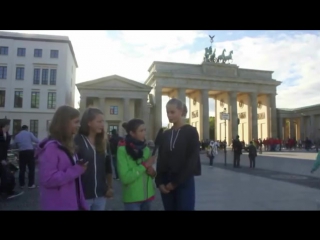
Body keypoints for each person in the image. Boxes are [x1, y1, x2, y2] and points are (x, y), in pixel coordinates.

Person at [36, 105, 88, 210]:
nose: (79, 125)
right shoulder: (51, 148)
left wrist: (82, 203)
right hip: (58, 205)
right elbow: (48, 179)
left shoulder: (68, 145)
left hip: (72, 204)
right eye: (76, 122)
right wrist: (77, 169)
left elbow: (75, 181)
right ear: (65, 123)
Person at [155, 98, 201, 211]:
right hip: (166, 182)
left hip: (183, 181)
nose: (169, 115)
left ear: (181, 112)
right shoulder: (165, 134)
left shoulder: (191, 132)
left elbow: (192, 159)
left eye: (172, 112)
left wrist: (175, 183)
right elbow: (160, 159)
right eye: (167, 112)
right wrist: (159, 181)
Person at [74, 108, 113, 211]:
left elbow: (108, 167)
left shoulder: (104, 142)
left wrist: (109, 187)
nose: (102, 125)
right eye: (99, 121)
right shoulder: (76, 141)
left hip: (101, 195)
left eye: (103, 121)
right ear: (89, 122)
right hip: (82, 196)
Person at [117, 119, 156, 211]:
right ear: (132, 133)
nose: (144, 133)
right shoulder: (122, 150)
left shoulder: (146, 149)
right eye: (141, 131)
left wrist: (152, 172)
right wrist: (144, 165)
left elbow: (152, 175)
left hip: (148, 197)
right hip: (132, 199)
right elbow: (125, 178)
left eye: (145, 130)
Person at [0, 118, 23, 199]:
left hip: (4, 158)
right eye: (9, 125)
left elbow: (5, 148)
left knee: (6, 175)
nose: (10, 126)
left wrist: (7, 158)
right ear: (5, 125)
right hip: (1, 158)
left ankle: (6, 191)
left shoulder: (7, 135)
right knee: (6, 175)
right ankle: (5, 192)